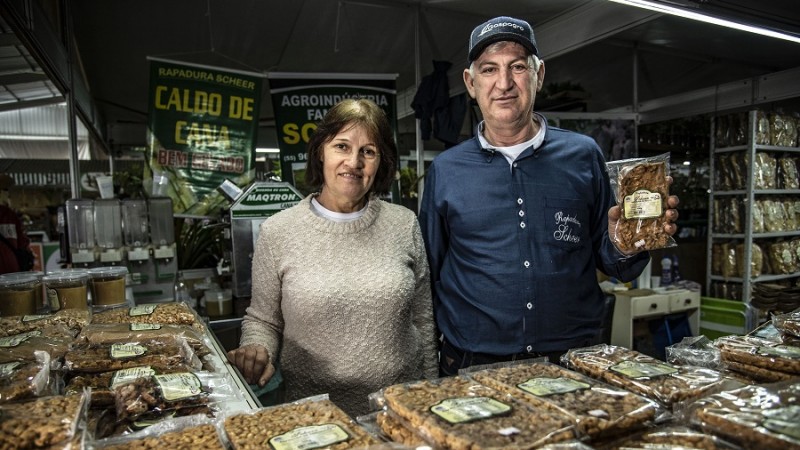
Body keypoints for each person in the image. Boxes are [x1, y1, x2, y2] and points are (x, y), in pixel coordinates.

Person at [418, 16, 681, 376]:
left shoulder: (583, 155)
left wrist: (630, 240)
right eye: (489, 69)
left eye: (518, 67)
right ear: (471, 82)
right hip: (474, 361)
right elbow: (429, 273)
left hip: (574, 357)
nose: (504, 83)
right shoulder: (446, 171)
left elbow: (614, 262)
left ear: (539, 74)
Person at [227, 98, 438, 417]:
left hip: (400, 408)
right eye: (342, 146)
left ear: (381, 162)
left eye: (368, 151)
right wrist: (259, 350)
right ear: (320, 152)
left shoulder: (403, 223)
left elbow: (422, 318)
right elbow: (263, 320)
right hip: (316, 415)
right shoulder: (279, 231)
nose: (354, 162)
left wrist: (430, 395)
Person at [0, 174, 32, 274]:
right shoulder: (9, 215)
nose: (7, 193)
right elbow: (22, 243)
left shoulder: (10, 215)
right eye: (5, 190)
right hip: (12, 274)